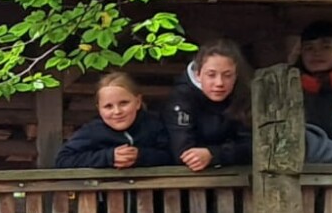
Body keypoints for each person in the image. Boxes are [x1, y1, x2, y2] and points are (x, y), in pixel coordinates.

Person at [55, 71, 174, 169]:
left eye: (124, 103)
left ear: (137, 102)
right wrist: (108, 157)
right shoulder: (92, 131)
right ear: (99, 109)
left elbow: (172, 155)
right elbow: (63, 160)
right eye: (108, 106)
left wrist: (140, 156)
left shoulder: (154, 125)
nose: (117, 112)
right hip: (103, 196)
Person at [166, 40, 252, 173]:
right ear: (198, 75)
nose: (219, 83)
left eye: (227, 75)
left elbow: (254, 145)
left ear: (236, 76)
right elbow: (183, 152)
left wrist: (213, 154)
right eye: (211, 75)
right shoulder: (182, 98)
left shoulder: (245, 95)